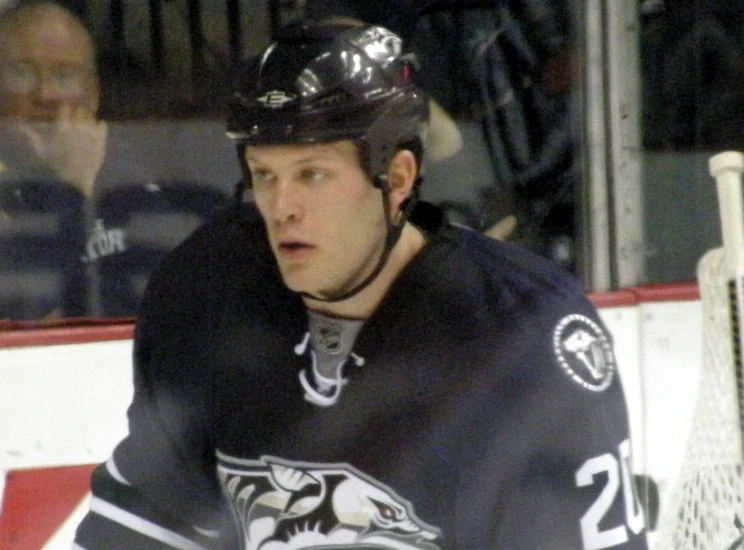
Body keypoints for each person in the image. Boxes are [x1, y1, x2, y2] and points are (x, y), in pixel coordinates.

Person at [73, 21, 648, 549]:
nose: (282, 208)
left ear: (396, 180)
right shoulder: (208, 291)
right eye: (264, 175)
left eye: (313, 175)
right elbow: (141, 527)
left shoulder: (525, 335)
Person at [0, 1, 226, 320]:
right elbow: (25, 315)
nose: (46, 95)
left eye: (64, 75)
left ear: (92, 94)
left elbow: (174, 304)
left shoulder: (136, 179)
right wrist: (68, 188)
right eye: (21, 72)